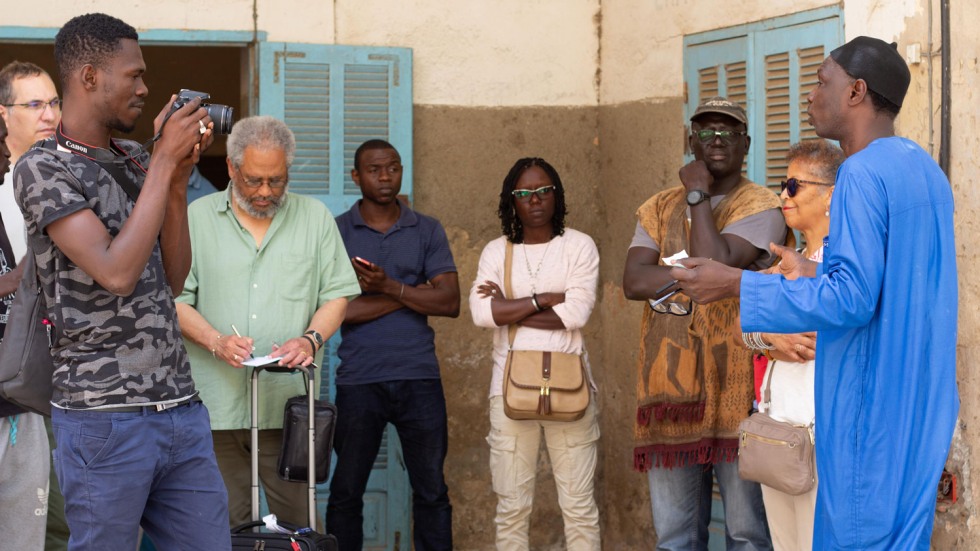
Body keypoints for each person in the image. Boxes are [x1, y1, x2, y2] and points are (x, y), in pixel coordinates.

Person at [671, 37, 958, 550]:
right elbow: (896, 285)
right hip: (919, 407)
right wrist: (808, 269)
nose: (810, 93)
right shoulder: (925, 170)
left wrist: (736, 282)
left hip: (867, 418)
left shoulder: (861, 174)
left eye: (822, 80)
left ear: (857, 91)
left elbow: (852, 300)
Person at [14, 13, 231, 550]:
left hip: (180, 409)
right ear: (89, 77)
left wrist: (176, 180)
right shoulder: (44, 168)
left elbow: (173, 280)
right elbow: (115, 272)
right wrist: (161, 164)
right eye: (133, 76)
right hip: (101, 419)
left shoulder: (137, 160)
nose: (145, 88)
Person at [175, 115, 360, 528]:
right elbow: (175, 300)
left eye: (275, 181)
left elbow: (337, 294)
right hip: (215, 408)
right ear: (231, 169)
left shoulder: (314, 218)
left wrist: (310, 340)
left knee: (299, 525)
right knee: (221, 526)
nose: (264, 192)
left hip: (288, 407)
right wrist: (215, 340)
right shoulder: (196, 217)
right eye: (254, 180)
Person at [622, 96, 788, 550]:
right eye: (706, 131)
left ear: (746, 144)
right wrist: (686, 275)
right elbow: (634, 280)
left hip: (738, 394)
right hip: (669, 392)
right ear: (690, 139)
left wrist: (696, 194)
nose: (717, 141)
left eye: (728, 132)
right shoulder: (656, 207)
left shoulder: (763, 207)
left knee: (746, 535)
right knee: (675, 537)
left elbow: (715, 262)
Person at [328, 139, 458, 551]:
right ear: (356, 177)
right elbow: (335, 312)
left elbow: (450, 302)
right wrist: (407, 292)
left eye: (393, 168)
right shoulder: (337, 230)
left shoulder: (428, 229)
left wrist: (386, 286)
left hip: (419, 377)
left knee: (432, 491)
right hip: (360, 380)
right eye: (374, 170)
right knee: (346, 492)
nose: (385, 177)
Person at [470, 157, 601, 550]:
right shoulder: (497, 251)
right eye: (524, 193)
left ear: (557, 196)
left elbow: (576, 312)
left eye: (544, 190)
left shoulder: (578, 245)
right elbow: (481, 313)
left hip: (571, 389)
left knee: (578, 508)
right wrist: (545, 299)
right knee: (511, 509)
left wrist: (510, 309)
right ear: (512, 202)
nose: (535, 199)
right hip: (509, 392)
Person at [740, 140, 844, 551]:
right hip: (778, 431)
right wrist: (768, 339)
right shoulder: (790, 256)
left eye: (794, 185)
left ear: (831, 194)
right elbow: (740, 324)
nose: (783, 195)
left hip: (822, 439)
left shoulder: (845, 262)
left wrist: (769, 328)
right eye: (784, 184)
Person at [0, 59, 71, 551]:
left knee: (46, 530)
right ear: (4, 115)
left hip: (57, 389)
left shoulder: (71, 180)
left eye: (53, 103)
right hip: (13, 388)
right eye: (34, 104)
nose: (48, 115)